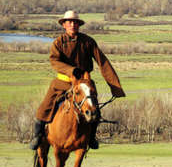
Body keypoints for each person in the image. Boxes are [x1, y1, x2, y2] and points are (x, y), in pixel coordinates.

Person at [28, 10, 126, 150]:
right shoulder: (58, 42)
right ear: (64, 25)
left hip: (84, 82)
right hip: (63, 82)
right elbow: (54, 61)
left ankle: (91, 137)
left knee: (94, 111)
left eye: (75, 22)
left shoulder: (88, 41)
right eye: (69, 22)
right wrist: (70, 70)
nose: (72, 24)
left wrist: (115, 87)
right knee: (44, 109)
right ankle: (37, 136)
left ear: (79, 25)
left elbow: (102, 62)